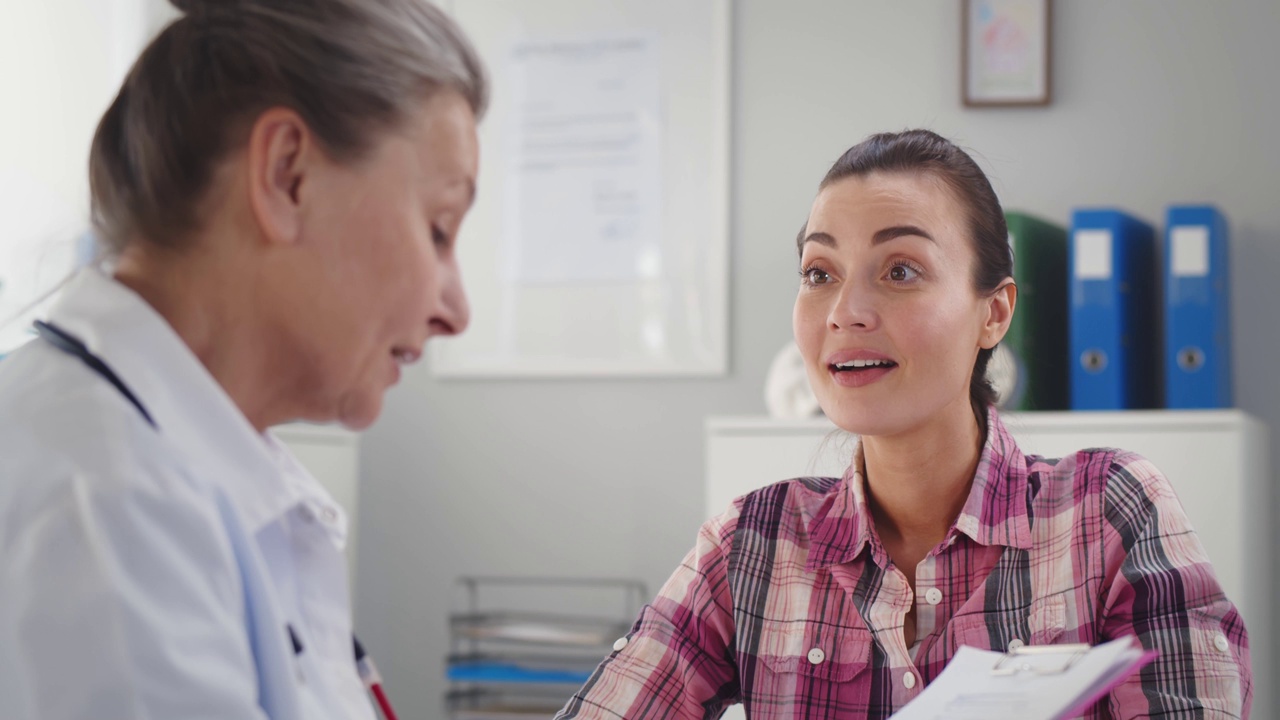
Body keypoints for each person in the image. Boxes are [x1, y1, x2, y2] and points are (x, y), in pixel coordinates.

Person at [555, 130, 1252, 719]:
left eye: (900, 270)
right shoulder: (750, 545)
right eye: (820, 273)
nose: (845, 311)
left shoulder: (1110, 509)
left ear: (995, 313)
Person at [0, 0, 485, 717]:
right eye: (439, 229)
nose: (455, 309)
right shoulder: (107, 510)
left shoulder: (170, 470)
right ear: (288, 175)